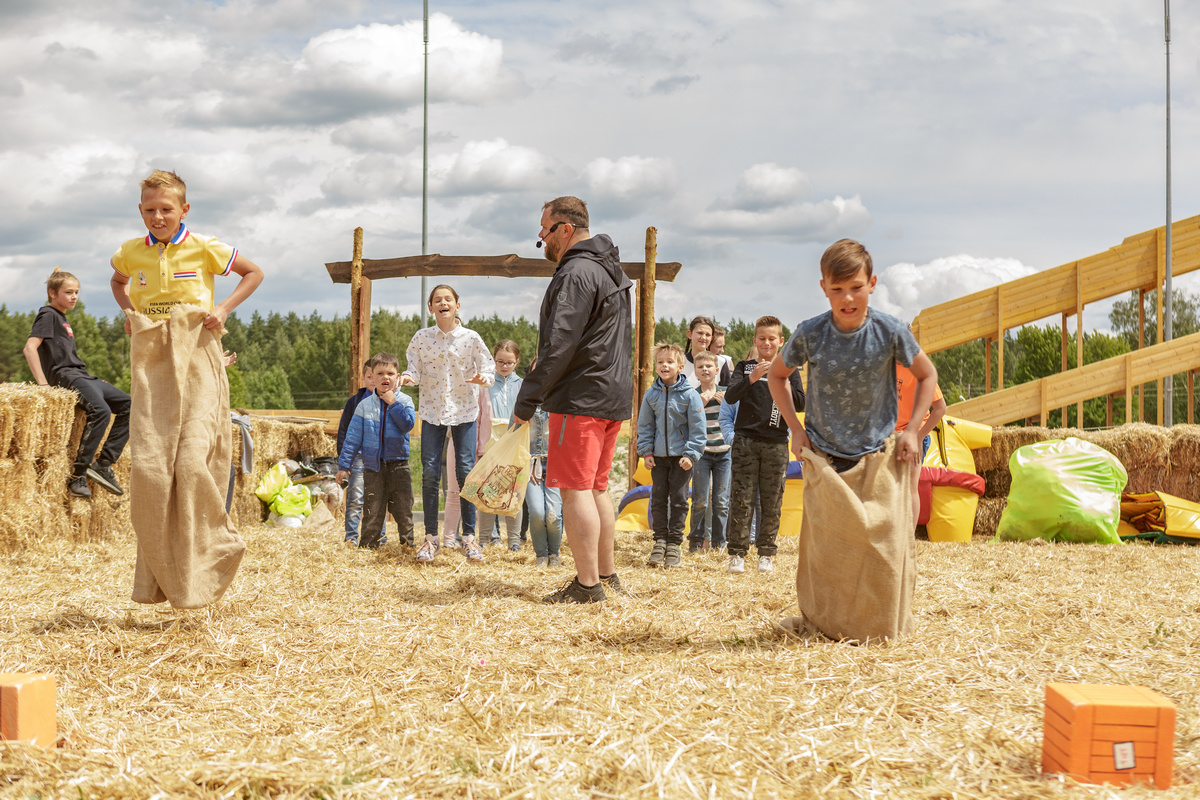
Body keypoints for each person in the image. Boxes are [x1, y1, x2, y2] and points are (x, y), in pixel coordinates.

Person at [769, 238, 937, 643]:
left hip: (878, 457)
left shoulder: (889, 330)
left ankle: (879, 627)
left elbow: (927, 377)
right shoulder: (811, 333)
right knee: (828, 555)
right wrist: (795, 426)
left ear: (872, 283)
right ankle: (827, 625)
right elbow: (777, 376)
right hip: (826, 459)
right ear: (824, 287)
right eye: (838, 288)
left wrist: (912, 429)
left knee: (883, 549)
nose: (848, 298)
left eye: (856, 287)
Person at [109, 169, 263, 609]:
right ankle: (164, 578)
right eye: (150, 210)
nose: (158, 217)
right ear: (141, 211)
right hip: (153, 359)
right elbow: (118, 282)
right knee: (154, 470)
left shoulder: (206, 247)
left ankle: (213, 553)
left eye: (166, 209)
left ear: (184, 210)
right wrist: (129, 312)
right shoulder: (130, 253)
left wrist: (223, 309)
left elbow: (253, 273)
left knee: (194, 462)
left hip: (197, 352)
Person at [513, 196, 633, 604]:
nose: (542, 241)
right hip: (612, 395)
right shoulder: (611, 271)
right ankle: (606, 575)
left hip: (580, 397)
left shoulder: (577, 272)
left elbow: (559, 342)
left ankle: (586, 587)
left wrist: (527, 399)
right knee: (597, 488)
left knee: (574, 490)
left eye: (544, 232)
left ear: (565, 229)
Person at [400, 285, 495, 564]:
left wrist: (483, 379)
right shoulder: (422, 338)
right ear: (430, 308)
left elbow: (488, 368)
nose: (443, 303)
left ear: (457, 305)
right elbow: (413, 370)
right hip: (432, 412)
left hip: (464, 411)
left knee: (465, 472)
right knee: (430, 472)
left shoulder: (471, 338)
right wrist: (407, 378)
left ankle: (468, 538)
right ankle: (431, 538)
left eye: (448, 299)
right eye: (437, 300)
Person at [23, 267, 131, 499]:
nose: (74, 297)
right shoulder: (48, 315)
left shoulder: (61, 317)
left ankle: (103, 464)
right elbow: (30, 348)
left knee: (129, 405)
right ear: (52, 293)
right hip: (67, 376)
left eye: (77, 292)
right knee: (100, 410)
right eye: (68, 292)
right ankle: (78, 475)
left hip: (82, 375)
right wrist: (43, 386)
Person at [724, 316, 805, 575]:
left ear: (781, 342)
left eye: (772, 339)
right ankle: (737, 553)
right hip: (745, 442)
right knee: (741, 499)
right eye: (762, 338)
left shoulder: (789, 370)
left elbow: (801, 404)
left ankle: (766, 554)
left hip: (777, 443)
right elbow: (729, 395)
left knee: (772, 501)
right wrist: (753, 378)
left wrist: (779, 379)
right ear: (754, 341)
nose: (767, 343)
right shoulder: (745, 367)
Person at [336, 353, 417, 550]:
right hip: (372, 466)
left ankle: (407, 545)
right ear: (372, 376)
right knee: (372, 509)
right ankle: (368, 547)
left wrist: (393, 403)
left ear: (398, 377)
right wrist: (343, 465)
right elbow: (352, 438)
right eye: (380, 373)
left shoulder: (404, 401)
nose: (385, 377)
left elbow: (407, 425)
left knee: (403, 509)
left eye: (390, 373)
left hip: (399, 465)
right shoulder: (364, 405)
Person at [637, 342, 706, 568]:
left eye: (669, 362)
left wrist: (692, 454)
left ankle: (675, 543)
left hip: (681, 459)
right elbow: (645, 426)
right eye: (660, 362)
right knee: (657, 498)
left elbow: (698, 428)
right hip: (658, 458)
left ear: (679, 366)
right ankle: (660, 541)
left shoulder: (690, 395)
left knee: (678, 499)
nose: (664, 365)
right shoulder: (651, 395)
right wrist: (646, 452)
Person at [477, 339, 523, 550]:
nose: (504, 366)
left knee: (514, 493)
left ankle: (513, 542)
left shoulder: (522, 385)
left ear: (517, 362)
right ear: (493, 360)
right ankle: (485, 540)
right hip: (490, 445)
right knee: (488, 494)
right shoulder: (485, 385)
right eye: (500, 362)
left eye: (509, 363)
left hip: (514, 444)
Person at [687, 350, 732, 553]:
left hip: (724, 453)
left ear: (717, 370)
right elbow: (687, 423)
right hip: (702, 453)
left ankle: (719, 543)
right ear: (695, 371)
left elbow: (735, 419)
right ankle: (695, 543)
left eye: (708, 366)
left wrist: (726, 404)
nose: (705, 369)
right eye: (700, 367)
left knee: (721, 501)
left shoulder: (727, 393)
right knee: (700, 501)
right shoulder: (693, 395)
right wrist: (700, 405)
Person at [524, 357, 563, 568]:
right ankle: (541, 554)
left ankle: (554, 553)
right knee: (538, 512)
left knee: (553, 514)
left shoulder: (562, 400)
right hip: (532, 464)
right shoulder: (525, 401)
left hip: (556, 463)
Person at [895, 363, 948, 522]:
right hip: (890, 434)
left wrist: (918, 437)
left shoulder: (920, 369)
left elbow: (940, 408)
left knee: (910, 486)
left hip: (915, 433)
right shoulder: (884, 363)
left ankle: (909, 540)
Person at [442, 384, 492, 549]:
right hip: (453, 442)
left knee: (472, 493)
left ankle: (469, 538)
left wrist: (482, 448)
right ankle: (449, 539)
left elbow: (486, 417)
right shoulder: (450, 381)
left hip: (475, 447)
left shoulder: (481, 387)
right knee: (453, 492)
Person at [336, 359, 376, 546]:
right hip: (359, 457)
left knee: (376, 500)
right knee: (355, 498)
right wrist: (345, 461)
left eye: (375, 376)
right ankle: (351, 537)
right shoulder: (354, 402)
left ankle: (377, 537)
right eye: (369, 377)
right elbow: (344, 431)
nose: (373, 381)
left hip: (378, 457)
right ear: (364, 378)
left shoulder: (388, 400)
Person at [681, 316, 733, 388]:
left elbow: (728, 393)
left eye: (707, 335)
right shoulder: (679, 362)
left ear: (711, 338)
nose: (703, 337)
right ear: (689, 334)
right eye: (700, 333)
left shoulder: (721, 362)